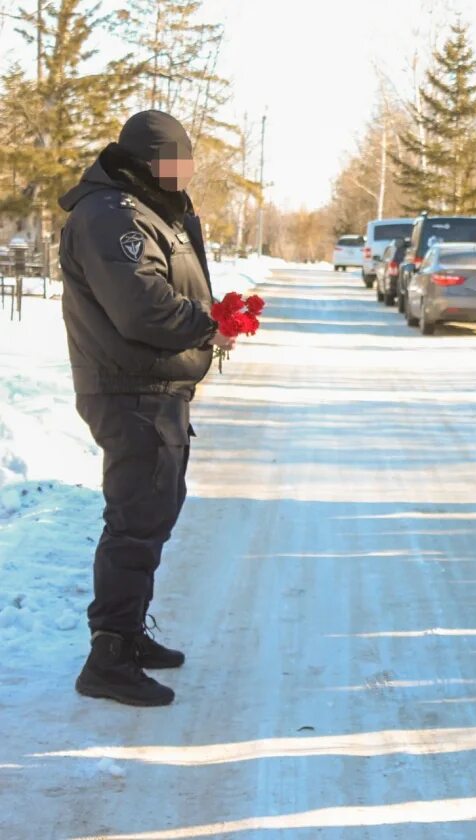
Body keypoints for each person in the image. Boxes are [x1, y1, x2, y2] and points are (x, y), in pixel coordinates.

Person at [59, 110, 233, 707]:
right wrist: (208, 326)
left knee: (153, 512)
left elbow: (174, 282)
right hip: (129, 388)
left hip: (154, 388)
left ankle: (127, 634)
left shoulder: (151, 209)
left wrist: (212, 316)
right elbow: (141, 306)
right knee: (135, 519)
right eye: (173, 162)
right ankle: (108, 655)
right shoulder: (111, 217)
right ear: (143, 160)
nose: (182, 174)